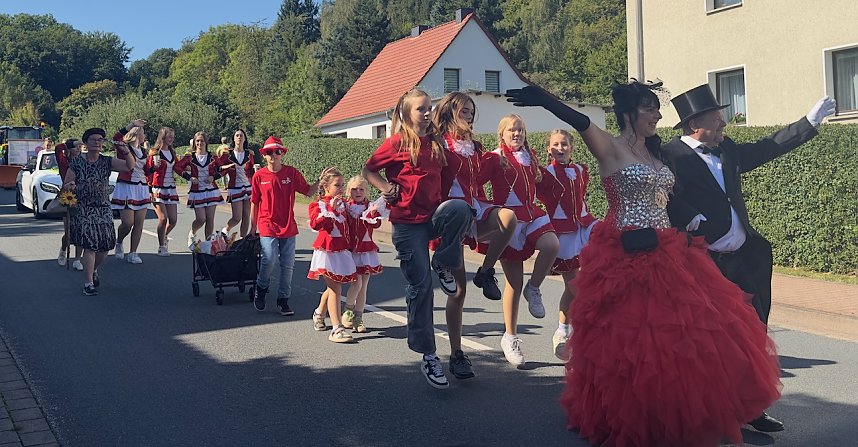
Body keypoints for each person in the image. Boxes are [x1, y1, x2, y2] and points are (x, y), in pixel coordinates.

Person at [506, 81, 782, 446]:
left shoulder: (658, 153)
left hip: (670, 250)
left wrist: (693, 216)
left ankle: (708, 409)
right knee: (636, 344)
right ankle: (641, 416)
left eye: (657, 109)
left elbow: (676, 195)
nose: (657, 116)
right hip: (627, 255)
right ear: (628, 113)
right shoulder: (611, 148)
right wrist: (544, 98)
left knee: (696, 335)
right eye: (650, 109)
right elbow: (577, 120)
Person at [661, 84, 836, 433]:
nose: (724, 123)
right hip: (703, 263)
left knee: (753, 338)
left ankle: (751, 408)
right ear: (696, 122)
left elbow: (767, 148)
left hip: (743, 259)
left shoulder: (726, 149)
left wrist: (809, 122)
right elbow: (660, 192)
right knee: (714, 343)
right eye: (717, 117)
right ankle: (714, 415)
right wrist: (687, 214)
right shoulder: (671, 155)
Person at [362, 88, 473, 390]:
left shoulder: (437, 143)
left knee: (462, 209)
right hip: (408, 225)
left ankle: (445, 263)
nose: (426, 113)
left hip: (433, 218)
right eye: (420, 109)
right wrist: (385, 186)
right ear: (406, 114)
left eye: (429, 108)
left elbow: (463, 168)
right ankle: (429, 355)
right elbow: (369, 169)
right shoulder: (397, 142)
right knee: (421, 286)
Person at [432, 92, 517, 379]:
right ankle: (457, 353)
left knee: (509, 218)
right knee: (458, 292)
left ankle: (485, 271)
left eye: (471, 111)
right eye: (463, 111)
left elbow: (476, 181)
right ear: (449, 113)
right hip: (451, 214)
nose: (468, 115)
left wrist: (496, 163)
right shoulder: (439, 143)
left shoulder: (476, 147)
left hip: (475, 205)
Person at [478, 114, 559, 367]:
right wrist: (482, 213)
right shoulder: (494, 158)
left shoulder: (531, 157)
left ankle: (534, 287)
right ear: (501, 134)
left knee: (551, 245)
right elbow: (475, 183)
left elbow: (545, 185)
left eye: (521, 130)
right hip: (509, 219)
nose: (517, 134)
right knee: (513, 283)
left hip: (531, 213)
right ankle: (510, 337)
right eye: (512, 130)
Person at [535, 129, 599, 360]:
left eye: (564, 144)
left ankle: (567, 332)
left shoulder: (581, 170)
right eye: (555, 145)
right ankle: (566, 333)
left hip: (586, 226)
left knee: (587, 282)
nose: (560, 148)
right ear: (548, 149)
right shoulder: (545, 173)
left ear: (572, 147)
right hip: (563, 233)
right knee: (575, 285)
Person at [250, 136, 319, 315]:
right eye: (269, 152)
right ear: (264, 156)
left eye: (277, 152)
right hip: (267, 224)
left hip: (288, 225)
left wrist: (322, 180)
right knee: (269, 259)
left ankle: (283, 300)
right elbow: (255, 202)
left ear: (282, 154)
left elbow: (308, 191)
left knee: (288, 265)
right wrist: (252, 228)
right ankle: (261, 289)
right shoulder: (259, 176)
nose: (273, 155)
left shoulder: (291, 173)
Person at [62, 128, 135, 295]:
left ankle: (93, 270)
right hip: (83, 208)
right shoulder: (77, 163)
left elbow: (129, 166)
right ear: (86, 142)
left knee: (105, 246)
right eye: (94, 139)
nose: (97, 142)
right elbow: (66, 184)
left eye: (100, 139)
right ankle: (88, 283)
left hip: (102, 207)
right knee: (90, 245)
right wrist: (70, 186)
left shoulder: (107, 161)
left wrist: (126, 151)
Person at [308, 167, 357, 343]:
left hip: (342, 250)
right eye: (337, 185)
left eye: (343, 185)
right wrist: (331, 210)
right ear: (326, 187)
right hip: (326, 251)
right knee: (336, 288)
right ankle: (336, 328)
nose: (341, 188)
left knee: (334, 287)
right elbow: (317, 225)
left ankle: (319, 313)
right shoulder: (319, 205)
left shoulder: (344, 204)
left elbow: (351, 225)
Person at [341, 175, 384, 334]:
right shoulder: (346, 207)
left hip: (366, 250)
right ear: (348, 191)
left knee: (364, 286)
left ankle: (359, 318)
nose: (358, 192)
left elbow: (377, 223)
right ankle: (348, 311)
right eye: (354, 189)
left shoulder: (370, 206)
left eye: (361, 189)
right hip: (351, 250)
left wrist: (373, 213)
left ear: (366, 191)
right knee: (356, 283)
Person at [111, 121, 151, 264]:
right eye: (143, 132)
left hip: (141, 187)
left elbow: (145, 171)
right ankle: (119, 241)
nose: (144, 135)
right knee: (128, 223)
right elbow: (116, 137)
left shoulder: (145, 151)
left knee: (139, 223)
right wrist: (131, 124)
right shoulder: (124, 148)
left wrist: (153, 168)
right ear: (137, 133)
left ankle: (133, 252)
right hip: (127, 187)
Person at [175, 131, 224, 245]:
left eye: (202, 140)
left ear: (206, 142)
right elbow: (177, 167)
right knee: (201, 219)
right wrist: (189, 177)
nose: (199, 143)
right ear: (194, 142)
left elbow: (224, 168)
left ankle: (208, 243)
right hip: (197, 191)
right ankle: (192, 232)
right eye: (197, 141)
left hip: (211, 190)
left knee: (210, 218)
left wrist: (214, 177)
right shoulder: (190, 157)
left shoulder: (212, 156)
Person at [145, 127, 180, 256]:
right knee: (163, 218)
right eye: (169, 136)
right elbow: (147, 171)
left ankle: (164, 236)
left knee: (174, 220)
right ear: (163, 137)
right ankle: (161, 246)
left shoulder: (173, 152)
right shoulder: (154, 152)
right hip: (157, 188)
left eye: (172, 136)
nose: (171, 139)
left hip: (171, 188)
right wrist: (149, 188)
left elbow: (177, 168)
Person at [217, 129, 255, 238]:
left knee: (246, 216)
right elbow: (218, 168)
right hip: (235, 188)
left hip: (248, 187)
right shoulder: (227, 154)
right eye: (237, 135)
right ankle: (225, 230)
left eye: (241, 136)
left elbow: (252, 171)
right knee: (237, 217)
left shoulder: (249, 154)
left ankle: (242, 240)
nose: (239, 137)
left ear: (245, 138)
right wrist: (225, 168)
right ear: (233, 138)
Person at [55, 138, 84, 269]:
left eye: (80, 146)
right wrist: (68, 144)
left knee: (82, 229)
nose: (78, 148)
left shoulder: (84, 161)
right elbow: (58, 148)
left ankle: (78, 259)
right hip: (68, 196)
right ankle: (63, 248)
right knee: (69, 231)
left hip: (82, 196)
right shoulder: (63, 161)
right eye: (75, 146)